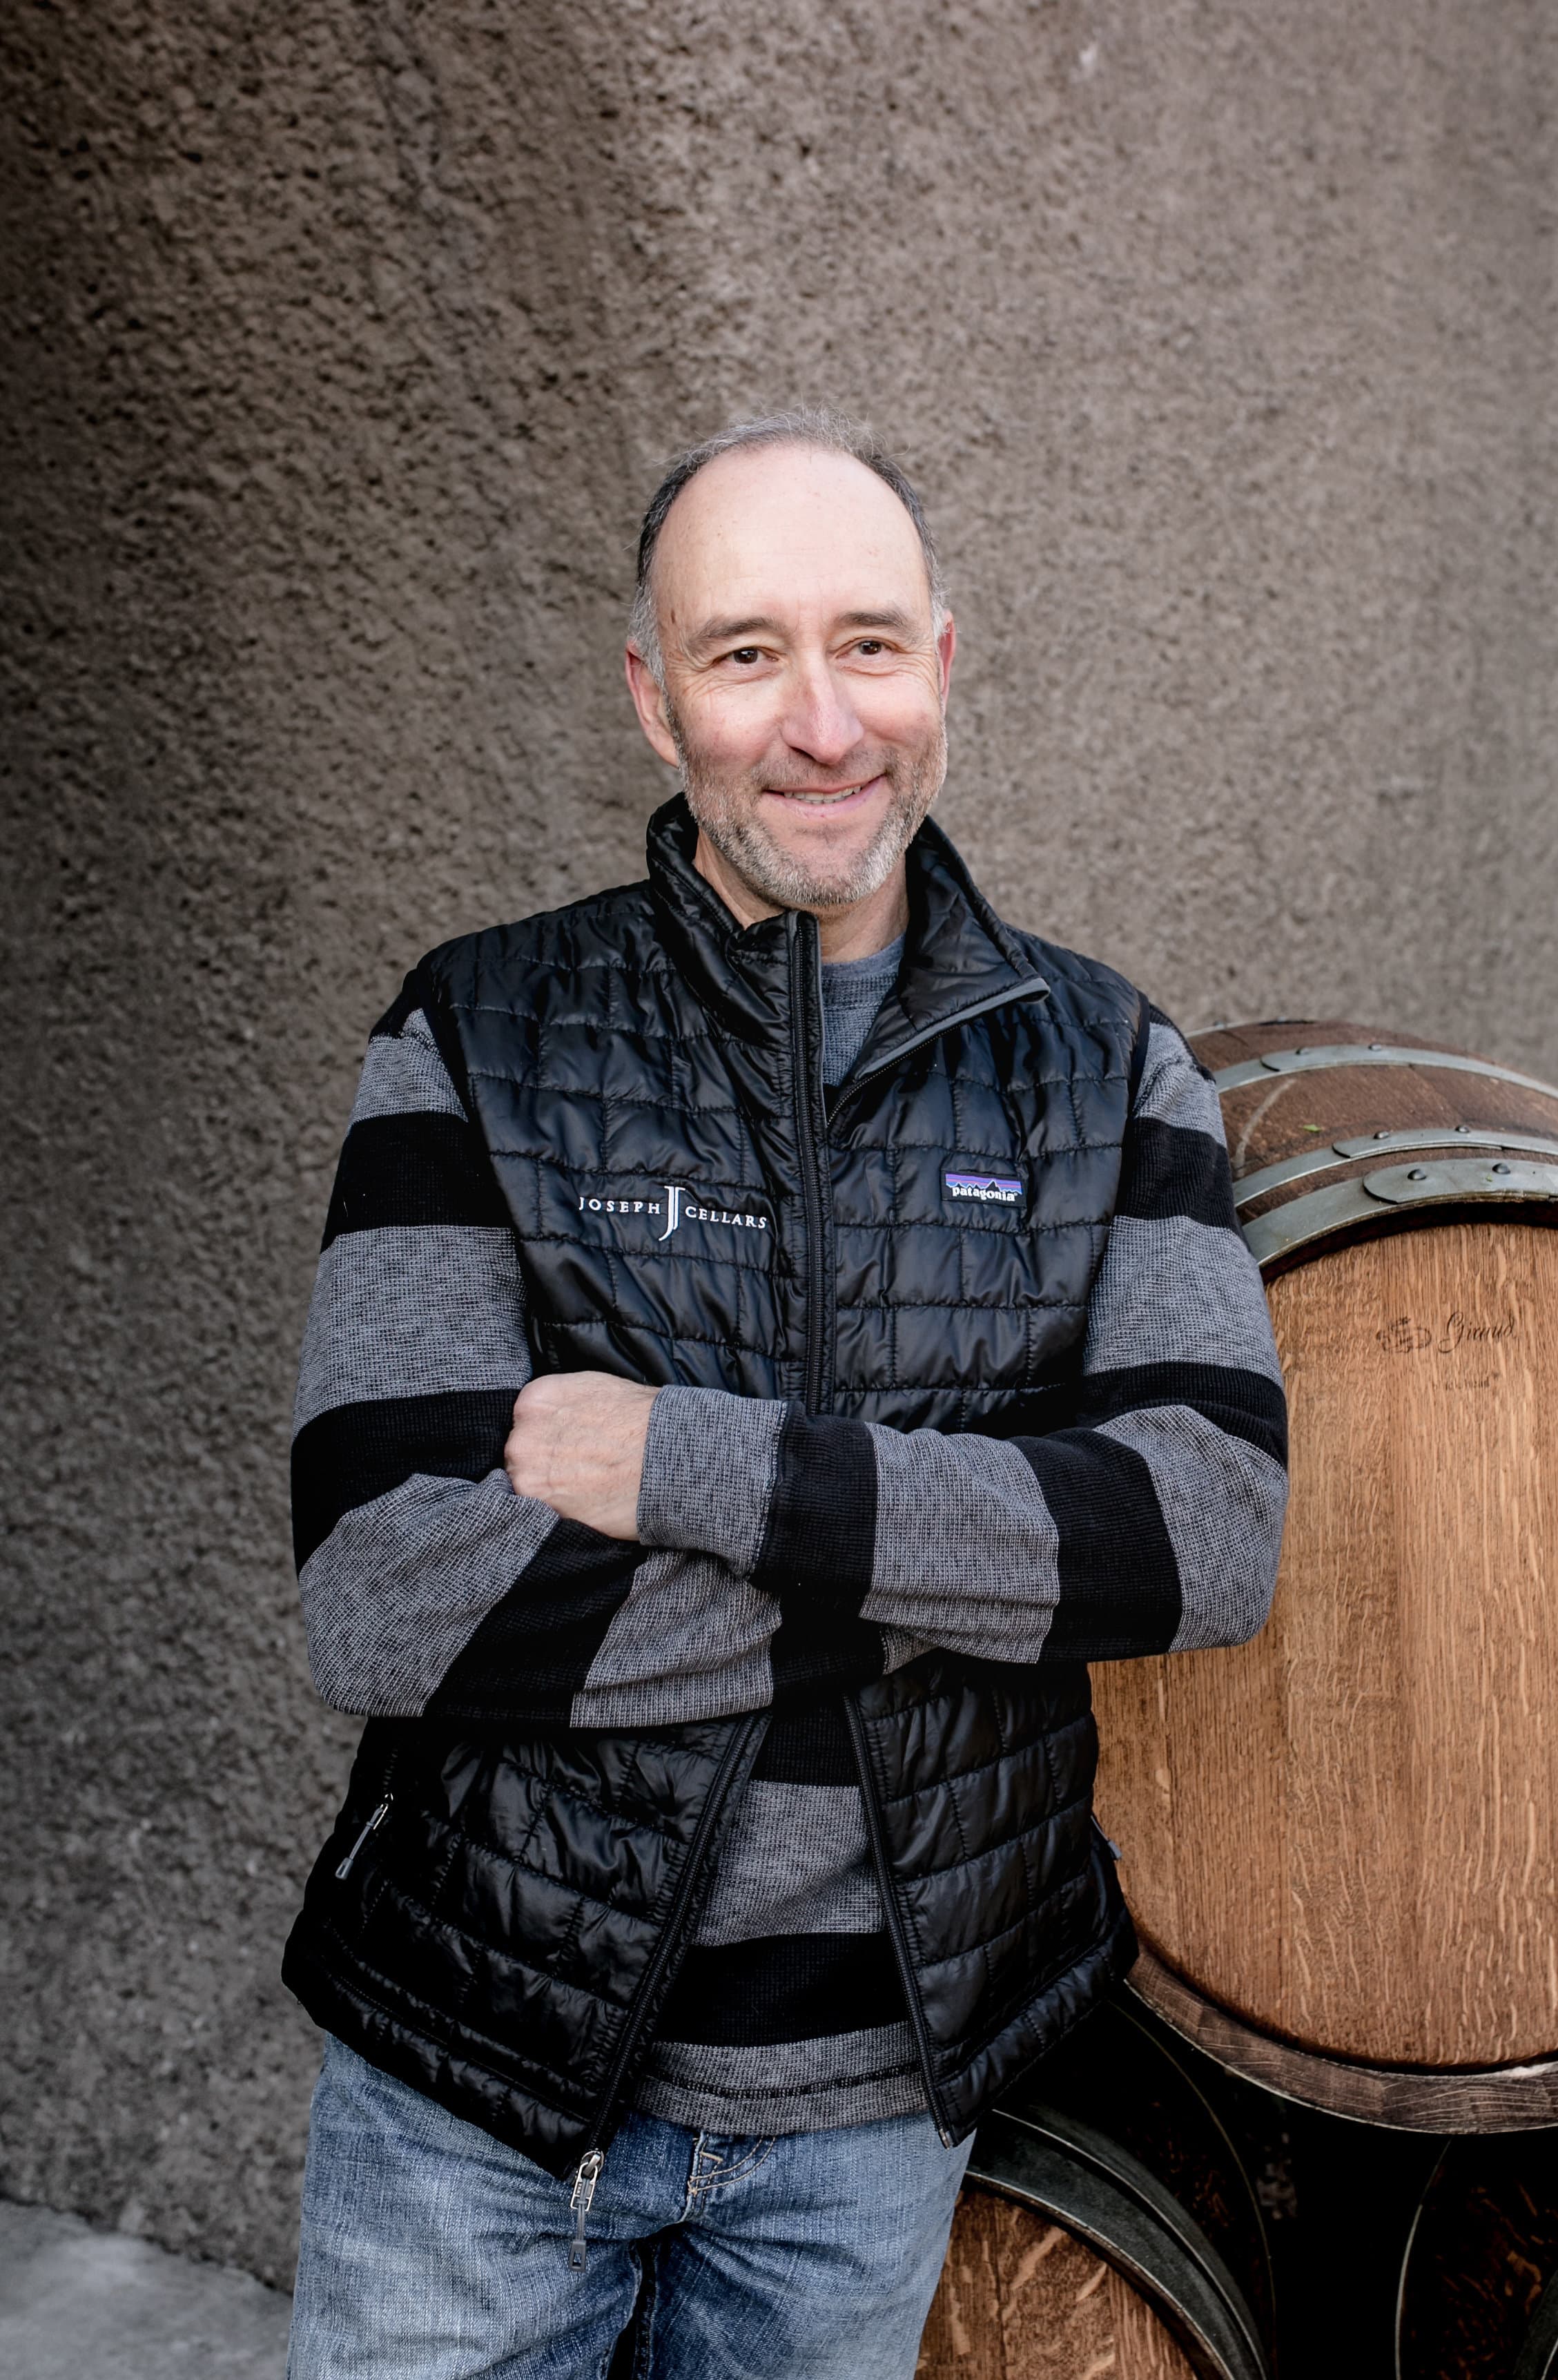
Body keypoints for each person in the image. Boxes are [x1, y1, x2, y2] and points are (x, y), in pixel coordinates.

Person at [282, 409, 1287, 2379]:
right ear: (657, 705)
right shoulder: (473, 1032)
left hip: (869, 2122)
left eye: (869, 645)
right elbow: (386, 1590)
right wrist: (982, 1557)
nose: (822, 725)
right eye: (747, 656)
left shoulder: (1106, 1064)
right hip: (479, 2086)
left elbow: (1203, 1540)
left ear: (944, 670)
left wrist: (685, 1462)